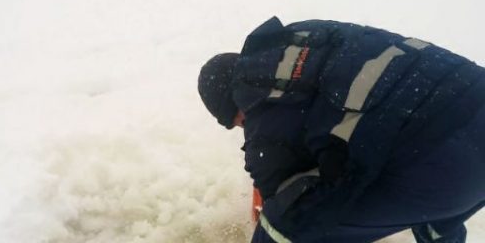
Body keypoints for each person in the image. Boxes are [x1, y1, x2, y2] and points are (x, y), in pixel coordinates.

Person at [197, 17, 485, 243]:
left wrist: (272, 206)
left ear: (235, 104)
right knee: (432, 213)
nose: (247, 129)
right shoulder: (298, 41)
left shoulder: (257, 101)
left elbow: (286, 196)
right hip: (469, 106)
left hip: (442, 164)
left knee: (281, 229)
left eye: (240, 123)